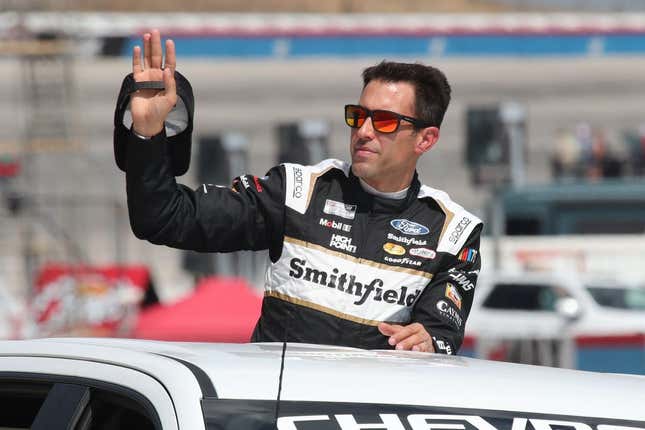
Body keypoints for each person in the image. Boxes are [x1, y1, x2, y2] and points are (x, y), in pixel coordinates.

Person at [124, 30, 482, 354]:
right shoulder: (297, 191)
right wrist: (147, 133)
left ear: (426, 138)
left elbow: (440, 337)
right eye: (359, 116)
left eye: (385, 121)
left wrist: (428, 343)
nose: (365, 131)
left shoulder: (454, 233)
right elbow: (164, 218)